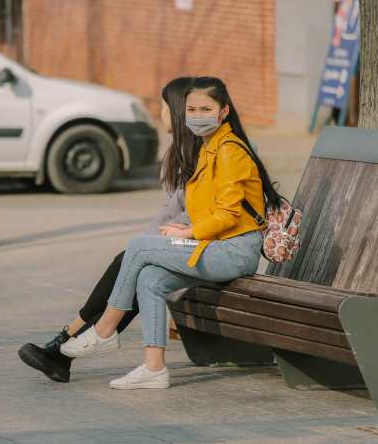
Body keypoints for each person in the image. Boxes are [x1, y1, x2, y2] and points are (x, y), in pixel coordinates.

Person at [59, 76, 282, 389]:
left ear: (223, 112)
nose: (197, 116)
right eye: (192, 109)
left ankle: (104, 331)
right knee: (150, 277)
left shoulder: (230, 150)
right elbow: (213, 209)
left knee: (138, 246)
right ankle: (154, 369)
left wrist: (190, 233)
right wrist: (187, 228)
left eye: (206, 109)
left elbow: (230, 215)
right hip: (218, 246)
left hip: (235, 251)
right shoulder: (210, 148)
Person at [18, 76, 202, 383]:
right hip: (179, 241)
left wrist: (150, 246)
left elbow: (197, 214)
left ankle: (65, 342)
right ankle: (63, 348)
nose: (159, 113)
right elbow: (168, 212)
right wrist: (148, 245)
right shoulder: (178, 152)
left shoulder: (204, 154)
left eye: (163, 106)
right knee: (130, 263)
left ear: (178, 111)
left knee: (131, 264)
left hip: (205, 245)